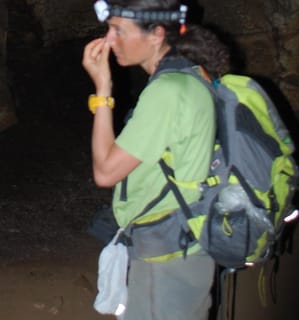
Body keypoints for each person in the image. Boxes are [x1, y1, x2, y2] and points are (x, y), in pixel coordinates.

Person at [82, 0, 231, 319]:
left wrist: (103, 91)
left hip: (167, 255)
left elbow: (106, 171)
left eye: (119, 30)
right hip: (185, 245)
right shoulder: (193, 74)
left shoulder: (169, 91)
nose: (109, 39)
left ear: (156, 34)